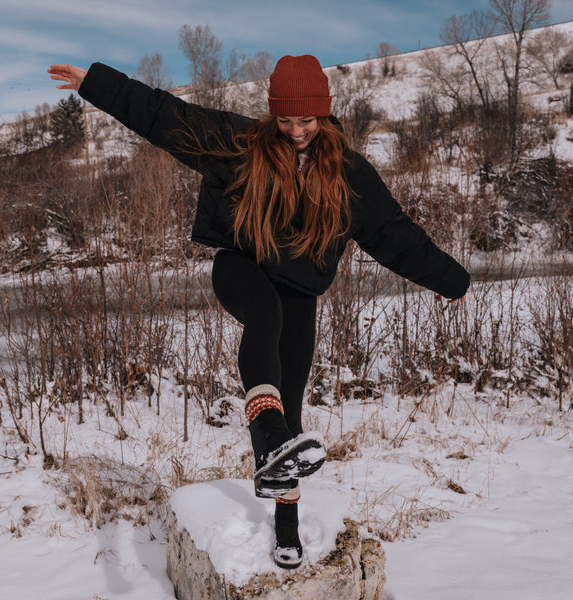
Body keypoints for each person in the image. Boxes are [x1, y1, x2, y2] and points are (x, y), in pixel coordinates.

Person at [48, 55, 469, 569]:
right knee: (264, 318)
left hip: (300, 289)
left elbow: (395, 237)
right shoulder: (239, 144)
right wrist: (96, 83)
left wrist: (450, 279)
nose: (296, 131)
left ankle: (285, 521)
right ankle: (269, 438)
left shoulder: (351, 175)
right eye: (286, 120)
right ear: (273, 115)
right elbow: (165, 117)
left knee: (289, 410)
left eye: (307, 120)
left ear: (324, 115)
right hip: (240, 269)